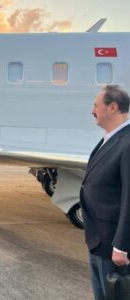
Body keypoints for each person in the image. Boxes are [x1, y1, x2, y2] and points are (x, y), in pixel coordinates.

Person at [81, 85, 130, 300]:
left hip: (113, 245)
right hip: (98, 240)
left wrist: (122, 245)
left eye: (96, 106)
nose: (93, 111)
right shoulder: (110, 138)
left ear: (112, 107)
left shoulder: (127, 143)